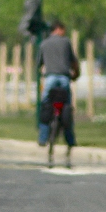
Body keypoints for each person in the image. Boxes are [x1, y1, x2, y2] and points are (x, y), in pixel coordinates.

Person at [36, 20, 80, 148]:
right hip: (64, 77)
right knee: (67, 107)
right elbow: (74, 61)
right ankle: (70, 139)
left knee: (45, 105)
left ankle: (43, 138)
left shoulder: (44, 44)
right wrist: (75, 74)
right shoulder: (66, 42)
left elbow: (39, 63)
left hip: (50, 78)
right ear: (59, 29)